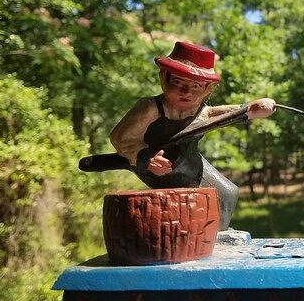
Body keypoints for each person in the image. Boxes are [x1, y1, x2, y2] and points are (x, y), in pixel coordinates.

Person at [109, 41, 275, 230]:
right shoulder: (150, 108)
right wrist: (147, 159)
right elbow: (120, 138)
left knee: (228, 193)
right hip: (159, 166)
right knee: (187, 203)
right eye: (178, 82)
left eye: (196, 86)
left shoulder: (200, 112)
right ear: (164, 78)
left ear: (207, 89)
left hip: (190, 162)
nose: (187, 92)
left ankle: (215, 234)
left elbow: (218, 115)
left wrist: (251, 109)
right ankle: (191, 235)